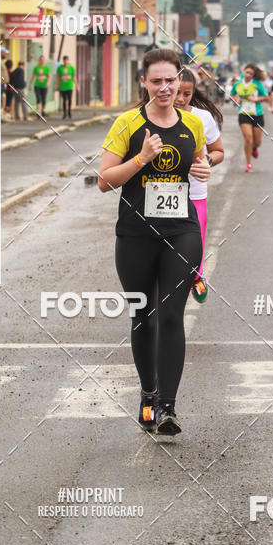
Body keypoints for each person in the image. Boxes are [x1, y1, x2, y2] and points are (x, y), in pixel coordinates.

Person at [98, 49, 211, 436]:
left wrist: (203, 167)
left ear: (180, 81)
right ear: (144, 83)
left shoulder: (192, 123)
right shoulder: (127, 123)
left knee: (170, 315)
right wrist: (141, 159)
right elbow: (104, 180)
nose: (165, 88)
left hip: (182, 229)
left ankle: (167, 407)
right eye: (156, 81)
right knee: (143, 316)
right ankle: (148, 394)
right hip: (136, 233)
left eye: (171, 80)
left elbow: (198, 160)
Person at [175, 68, 225, 303]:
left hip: (195, 190)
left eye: (187, 94)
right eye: (177, 93)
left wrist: (208, 161)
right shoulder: (154, 116)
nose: (181, 99)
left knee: (197, 237)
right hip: (162, 192)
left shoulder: (202, 118)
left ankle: (197, 275)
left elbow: (219, 151)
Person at [231, 64, 268, 172]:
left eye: (251, 74)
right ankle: (249, 164)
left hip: (257, 115)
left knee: (257, 142)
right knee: (248, 138)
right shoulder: (237, 84)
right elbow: (232, 95)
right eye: (247, 72)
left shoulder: (257, 84)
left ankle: (254, 148)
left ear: (253, 75)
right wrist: (235, 100)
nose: (248, 75)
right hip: (244, 114)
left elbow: (266, 97)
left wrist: (256, 99)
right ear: (243, 72)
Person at [55, 55, 76, 120]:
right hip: (62, 86)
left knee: (69, 100)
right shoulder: (60, 68)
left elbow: (74, 77)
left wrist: (77, 85)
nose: (65, 62)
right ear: (63, 61)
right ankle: (64, 113)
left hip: (69, 86)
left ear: (68, 60)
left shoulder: (71, 68)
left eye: (66, 60)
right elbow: (58, 78)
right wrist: (56, 86)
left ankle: (69, 111)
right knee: (64, 100)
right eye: (64, 60)